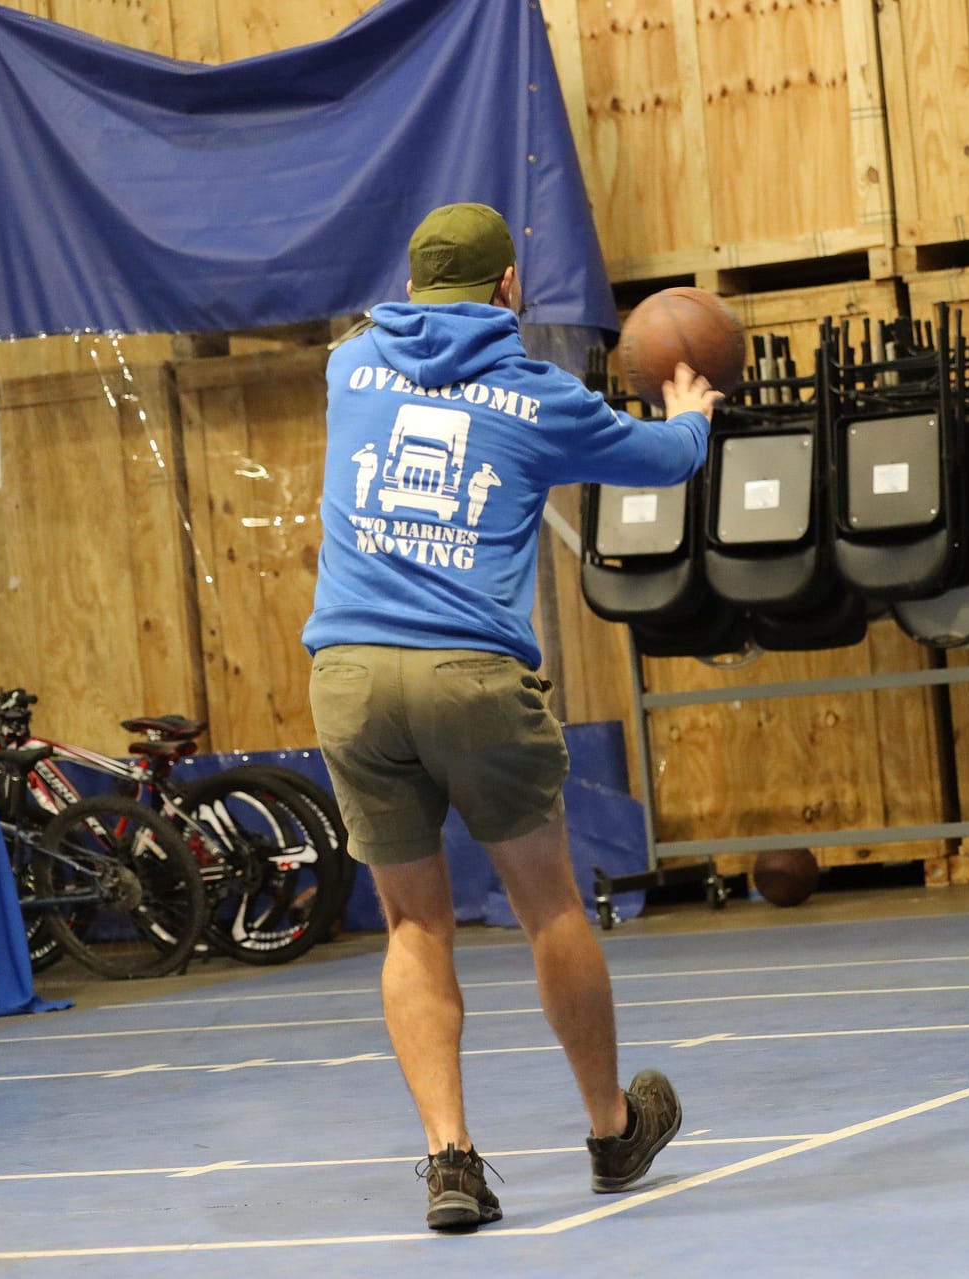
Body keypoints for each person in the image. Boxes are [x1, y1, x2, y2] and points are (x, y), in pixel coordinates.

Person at [302, 202, 720, 1230]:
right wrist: (692, 410)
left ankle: (449, 1159)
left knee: (411, 921)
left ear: (409, 288)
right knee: (549, 907)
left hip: (349, 673)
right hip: (469, 674)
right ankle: (610, 1127)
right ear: (506, 288)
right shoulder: (537, 398)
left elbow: (377, 332)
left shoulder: (347, 370)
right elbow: (665, 464)